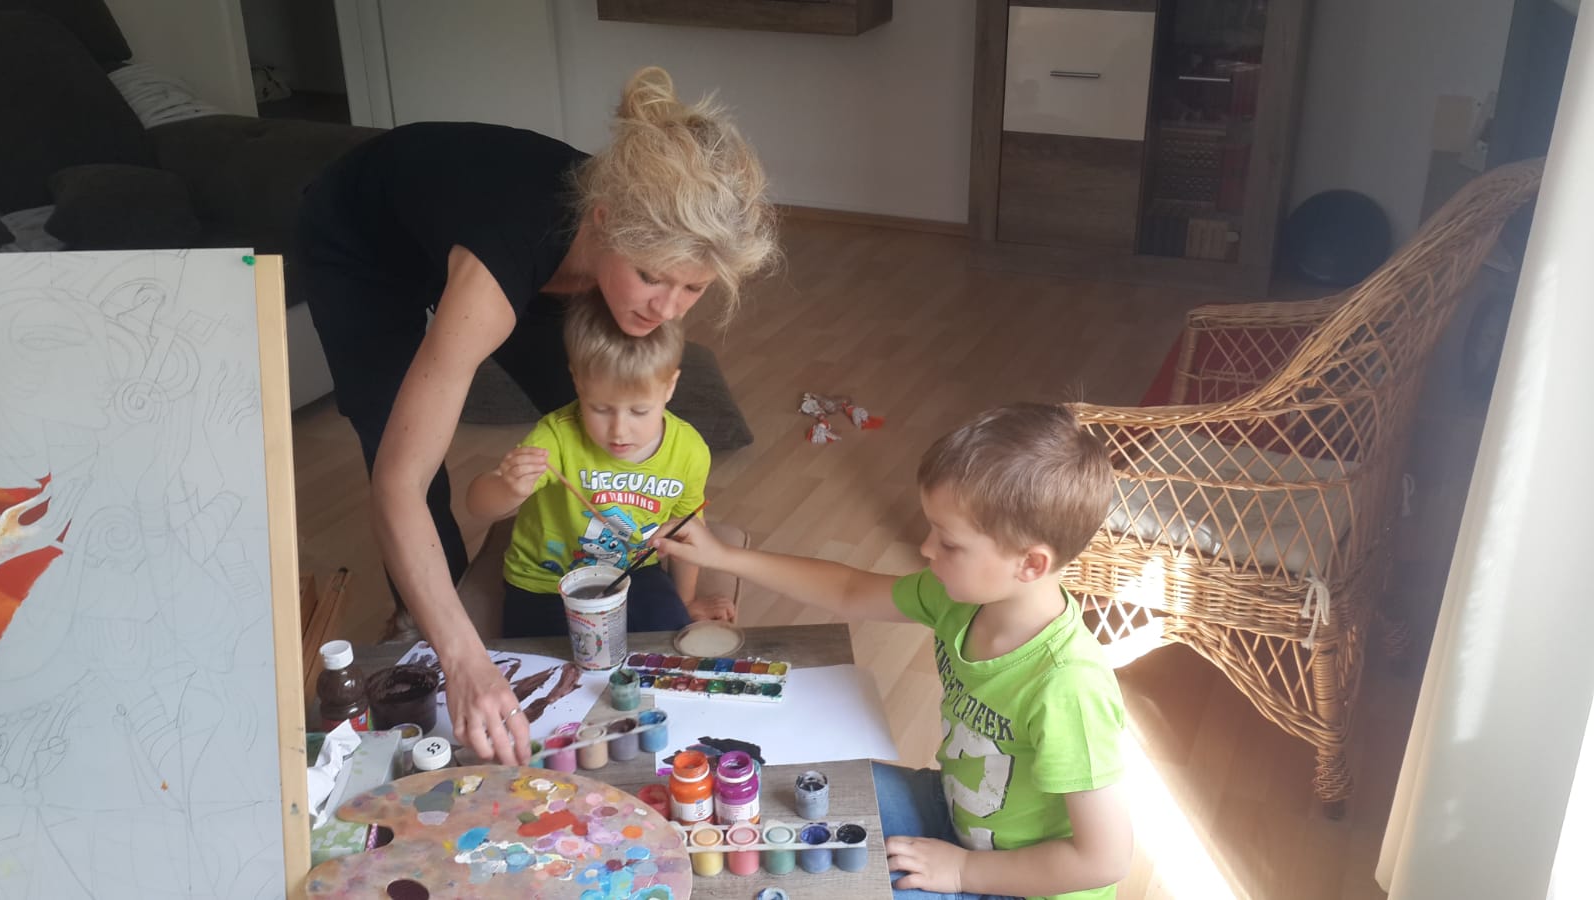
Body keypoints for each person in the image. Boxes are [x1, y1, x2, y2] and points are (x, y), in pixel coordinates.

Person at [294, 66, 777, 764]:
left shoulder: (633, 222)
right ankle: (430, 624)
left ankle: (594, 569)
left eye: (691, 288)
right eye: (650, 277)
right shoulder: (503, 261)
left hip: (507, 238)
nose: (665, 309)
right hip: (361, 239)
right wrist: (465, 660)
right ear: (603, 222)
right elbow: (399, 486)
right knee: (398, 440)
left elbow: (614, 428)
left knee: (589, 416)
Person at [655, 404, 1134, 900]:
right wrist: (723, 556)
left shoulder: (1069, 686)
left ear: (1030, 564)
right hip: (953, 815)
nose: (926, 548)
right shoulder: (959, 598)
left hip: (1018, 883)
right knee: (797, 788)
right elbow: (848, 589)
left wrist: (964, 872)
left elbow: (1104, 859)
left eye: (949, 543)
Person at [464, 297, 732, 637]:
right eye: (601, 409)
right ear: (577, 382)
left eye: (639, 411)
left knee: (671, 645)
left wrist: (685, 601)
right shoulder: (556, 436)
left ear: (669, 386)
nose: (619, 431)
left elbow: (686, 530)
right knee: (547, 663)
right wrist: (507, 488)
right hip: (545, 581)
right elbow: (476, 505)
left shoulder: (689, 451)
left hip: (635, 573)